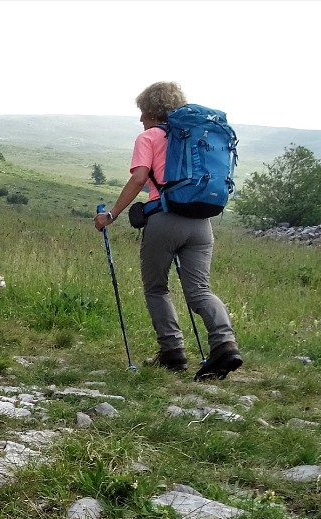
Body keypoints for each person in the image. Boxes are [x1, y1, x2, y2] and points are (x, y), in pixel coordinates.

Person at [95, 81, 242, 380]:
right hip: (202, 221)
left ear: (151, 111)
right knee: (200, 290)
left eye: (142, 112)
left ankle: (172, 352)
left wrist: (111, 214)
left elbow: (139, 179)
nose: (140, 119)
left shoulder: (149, 137)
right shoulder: (191, 136)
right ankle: (225, 345)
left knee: (156, 288)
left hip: (164, 218)